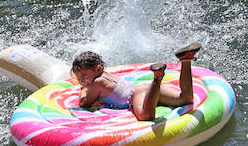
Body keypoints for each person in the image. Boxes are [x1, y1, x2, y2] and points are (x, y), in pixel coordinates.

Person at [71, 43, 201, 122]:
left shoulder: (96, 83)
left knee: (146, 116)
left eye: (84, 76)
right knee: (185, 98)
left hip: (137, 94)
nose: (82, 81)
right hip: (145, 89)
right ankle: (186, 60)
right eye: (79, 78)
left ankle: (157, 78)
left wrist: (83, 90)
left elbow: (84, 103)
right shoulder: (105, 75)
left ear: (98, 69)